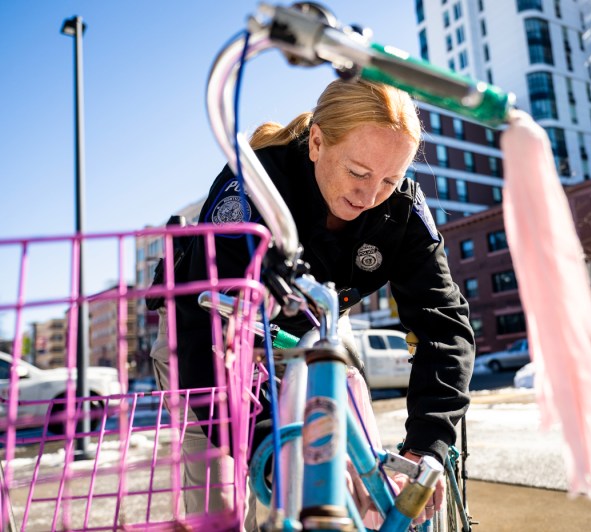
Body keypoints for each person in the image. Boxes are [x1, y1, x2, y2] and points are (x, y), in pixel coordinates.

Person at [169, 78, 475, 525]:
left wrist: (428, 444)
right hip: (216, 324)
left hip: (321, 318)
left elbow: (445, 327)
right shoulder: (254, 185)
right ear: (316, 143)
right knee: (224, 500)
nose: (370, 196)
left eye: (391, 178)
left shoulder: (403, 212)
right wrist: (267, 445)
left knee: (339, 479)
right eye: (358, 172)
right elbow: (200, 329)